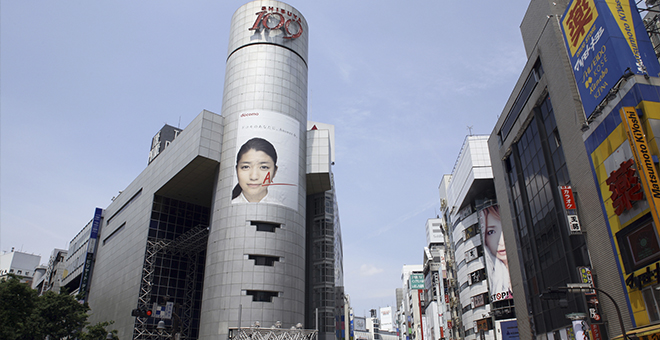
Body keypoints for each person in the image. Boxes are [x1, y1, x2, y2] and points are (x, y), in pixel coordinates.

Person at [231, 137, 281, 204]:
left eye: (264, 167)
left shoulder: (281, 209)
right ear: (236, 170)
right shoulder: (227, 207)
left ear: (274, 171)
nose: (253, 177)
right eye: (246, 167)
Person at [480, 205, 512, 300]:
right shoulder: (496, 281)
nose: (500, 241)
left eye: (504, 229)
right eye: (491, 232)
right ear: (485, 239)